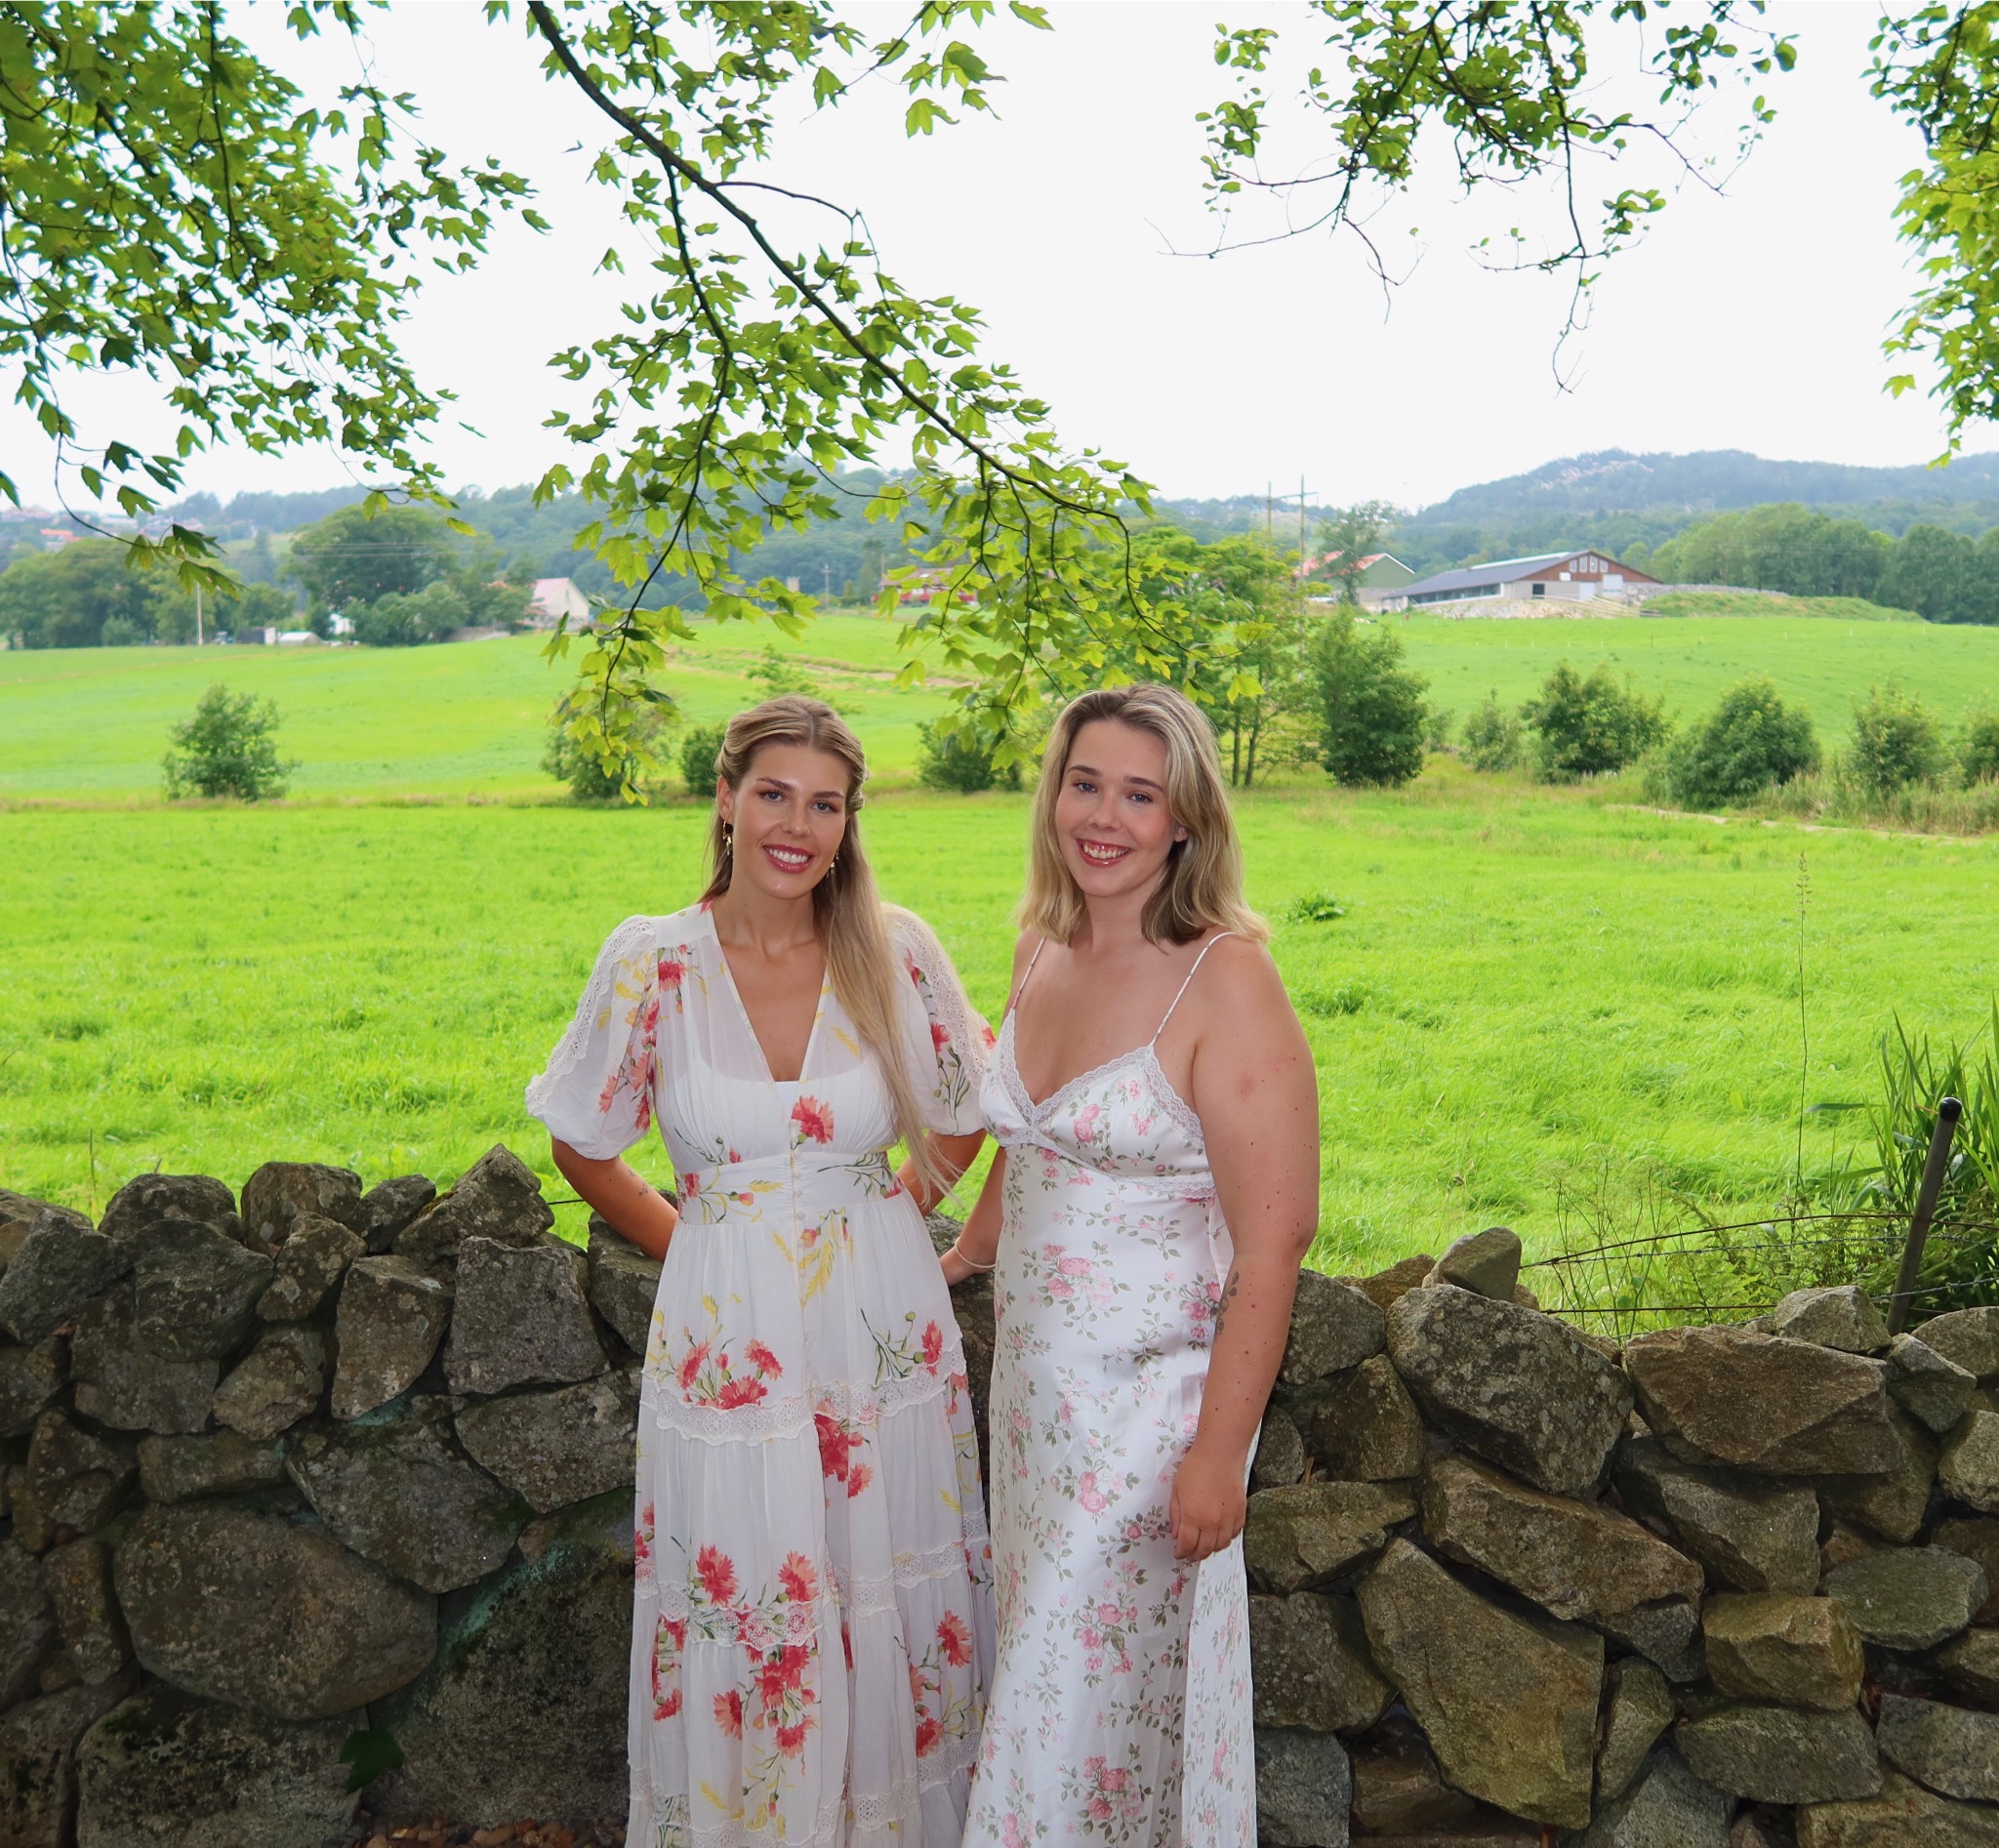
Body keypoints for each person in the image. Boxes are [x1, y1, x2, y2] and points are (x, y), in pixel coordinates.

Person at [524, 695, 996, 1848]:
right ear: (725, 798)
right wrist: (697, 1245)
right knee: (745, 1594)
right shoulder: (651, 963)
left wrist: (892, 1214)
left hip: (881, 1328)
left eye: (824, 805)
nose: (797, 826)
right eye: (774, 795)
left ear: (848, 822)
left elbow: (962, 1109)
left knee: (886, 1580)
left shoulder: (895, 949)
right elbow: (582, 1140)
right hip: (726, 1339)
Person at [947, 682, 1318, 1845]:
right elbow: (1028, 1143)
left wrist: (1214, 1456)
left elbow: (1276, 1239)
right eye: (1083, 783)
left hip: (1150, 1418)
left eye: (1139, 796)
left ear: (1185, 820)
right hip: (1035, 1412)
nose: (1102, 818)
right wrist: (963, 1252)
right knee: (1077, 1702)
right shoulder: (1039, 947)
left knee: (1066, 1709)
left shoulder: (1226, 980)